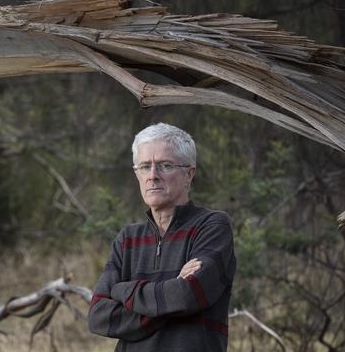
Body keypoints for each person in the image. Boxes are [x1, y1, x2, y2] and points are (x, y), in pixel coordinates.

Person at [88, 123, 236, 351]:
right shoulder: (127, 239)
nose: (153, 176)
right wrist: (170, 294)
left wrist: (122, 290)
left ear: (189, 174)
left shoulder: (212, 226)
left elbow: (188, 296)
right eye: (144, 167)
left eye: (165, 166)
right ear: (137, 174)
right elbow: (98, 316)